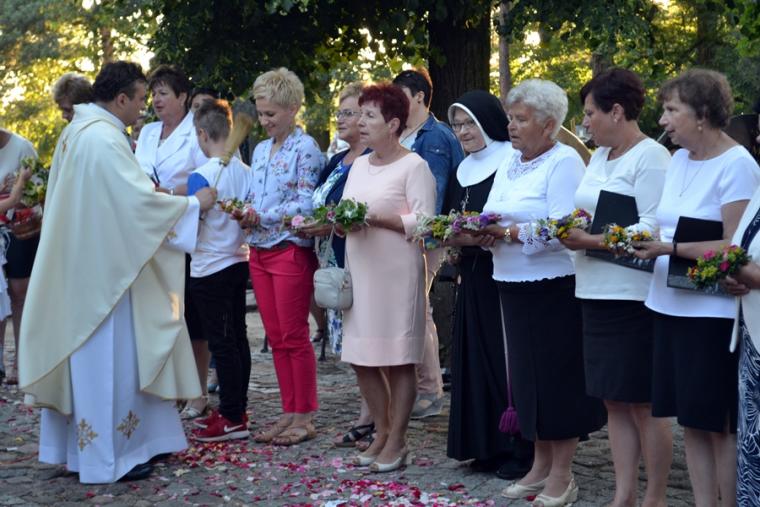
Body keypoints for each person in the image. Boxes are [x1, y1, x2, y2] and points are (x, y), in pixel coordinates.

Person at [18, 60, 217, 483]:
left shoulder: (79, 132)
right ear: (121, 98)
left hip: (88, 265)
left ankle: (106, 448)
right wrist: (192, 205)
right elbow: (136, 204)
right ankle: (108, 458)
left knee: (105, 364)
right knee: (109, 365)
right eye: (141, 98)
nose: (144, 107)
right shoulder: (103, 139)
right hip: (105, 277)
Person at [633, 69, 760, 507]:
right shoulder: (679, 160)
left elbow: (735, 246)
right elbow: (664, 221)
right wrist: (639, 238)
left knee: (717, 423)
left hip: (712, 313)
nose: (662, 120)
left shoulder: (738, 164)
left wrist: (670, 248)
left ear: (702, 114)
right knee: (689, 420)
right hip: (668, 303)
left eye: (672, 110)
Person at [479, 79, 606, 506]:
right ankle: (539, 464)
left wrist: (508, 233)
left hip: (552, 285)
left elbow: (563, 227)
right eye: (510, 118)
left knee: (556, 380)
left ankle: (563, 474)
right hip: (509, 280)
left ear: (549, 125)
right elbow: (491, 213)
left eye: (521, 119)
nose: (511, 126)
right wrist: (478, 231)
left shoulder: (564, 161)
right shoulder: (509, 161)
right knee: (527, 381)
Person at [558, 68, 673, 507]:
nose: (585, 123)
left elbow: (651, 227)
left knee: (643, 403)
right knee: (613, 401)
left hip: (632, 295)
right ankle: (623, 495)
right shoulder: (600, 157)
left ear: (617, 111)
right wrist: (569, 228)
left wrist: (588, 240)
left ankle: (654, 497)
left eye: (590, 113)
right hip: (593, 289)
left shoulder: (651, 157)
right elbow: (589, 212)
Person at [341, 83, 436, 472]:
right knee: (361, 358)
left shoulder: (415, 166)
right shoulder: (359, 165)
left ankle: (397, 439)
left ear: (393, 124)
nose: (360, 122)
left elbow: (426, 222)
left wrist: (383, 219)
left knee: (398, 360)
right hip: (361, 271)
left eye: (369, 116)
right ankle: (380, 431)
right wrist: (339, 222)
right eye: (359, 114)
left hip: (397, 275)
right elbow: (347, 209)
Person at [443, 90, 533, 480]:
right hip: (472, 275)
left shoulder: (509, 161)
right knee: (476, 360)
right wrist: (450, 243)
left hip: (503, 274)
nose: (463, 132)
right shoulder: (462, 168)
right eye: (457, 125)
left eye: (470, 124)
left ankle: (518, 447)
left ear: (488, 123)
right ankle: (484, 444)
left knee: (504, 362)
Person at [239, 67, 324, 446]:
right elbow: (253, 194)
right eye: (261, 113)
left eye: (271, 113)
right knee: (276, 337)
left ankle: (304, 416)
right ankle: (289, 411)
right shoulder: (260, 150)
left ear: (293, 108)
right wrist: (242, 210)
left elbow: (306, 203)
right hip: (259, 249)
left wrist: (262, 215)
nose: (264, 121)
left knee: (293, 335)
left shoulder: (306, 149)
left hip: (289, 249)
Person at [296, 82, 375, 448]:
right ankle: (370, 410)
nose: (340, 119)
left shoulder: (372, 159)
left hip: (359, 258)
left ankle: (373, 416)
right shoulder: (336, 160)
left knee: (365, 341)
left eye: (349, 112)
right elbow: (324, 205)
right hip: (331, 260)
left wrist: (328, 224)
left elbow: (363, 211)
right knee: (348, 343)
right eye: (339, 112)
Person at [135, 64, 210, 420]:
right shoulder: (148, 132)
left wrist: (169, 191)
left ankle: (197, 391)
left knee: (191, 316)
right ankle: (169, 386)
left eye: (163, 93)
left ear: (182, 97)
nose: (156, 100)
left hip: (187, 230)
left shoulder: (196, 132)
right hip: (151, 232)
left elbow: (208, 177)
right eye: (153, 94)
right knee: (161, 315)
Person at [392, 68, 464, 419]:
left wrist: (420, 233)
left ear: (420, 96)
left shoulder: (437, 137)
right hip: (395, 235)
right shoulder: (400, 133)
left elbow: (432, 198)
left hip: (424, 237)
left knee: (418, 310)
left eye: (401, 96)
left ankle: (430, 390)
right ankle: (414, 386)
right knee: (408, 310)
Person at [180, 99, 252, 442]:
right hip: (238, 261)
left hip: (209, 267)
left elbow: (191, 224)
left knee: (222, 343)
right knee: (238, 337)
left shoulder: (201, 175)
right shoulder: (246, 171)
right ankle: (237, 408)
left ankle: (232, 415)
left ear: (202, 134)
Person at [723, 105, 760, 504]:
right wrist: (734, 274)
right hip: (752, 333)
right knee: (753, 443)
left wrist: (752, 273)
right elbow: (741, 245)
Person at [0, 128, 37, 386]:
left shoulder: (23, 147)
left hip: (17, 229)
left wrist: (21, 193)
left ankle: (21, 361)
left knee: (18, 293)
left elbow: (39, 191)